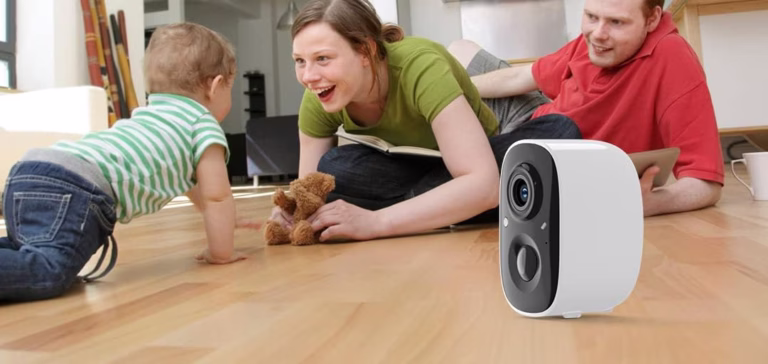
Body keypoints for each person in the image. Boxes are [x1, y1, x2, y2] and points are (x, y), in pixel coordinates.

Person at [267, 0, 582, 243]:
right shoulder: (319, 94)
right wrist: (290, 212)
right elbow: (307, 190)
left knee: (560, 134)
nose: (308, 76)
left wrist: (375, 223)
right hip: (416, 170)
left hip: (477, 161)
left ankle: (415, 210)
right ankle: (447, 208)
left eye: (322, 59)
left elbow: (484, 184)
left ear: (365, 51)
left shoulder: (420, 66)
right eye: (300, 61)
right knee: (334, 167)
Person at [0, 23, 251, 302]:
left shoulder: (151, 114)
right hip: (76, 187)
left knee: (25, 247)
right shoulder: (202, 124)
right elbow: (216, 196)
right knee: (50, 271)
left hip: (28, 171)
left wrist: (227, 221)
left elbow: (198, 190)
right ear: (216, 86)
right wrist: (221, 252)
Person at [448, 0, 724, 217]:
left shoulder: (673, 60)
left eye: (617, 22)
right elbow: (522, 77)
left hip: (560, 151)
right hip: (534, 119)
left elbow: (706, 184)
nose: (598, 34)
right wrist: (452, 94)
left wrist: (652, 204)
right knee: (459, 50)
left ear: (651, 19)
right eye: (591, 17)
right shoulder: (593, 40)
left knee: (554, 131)